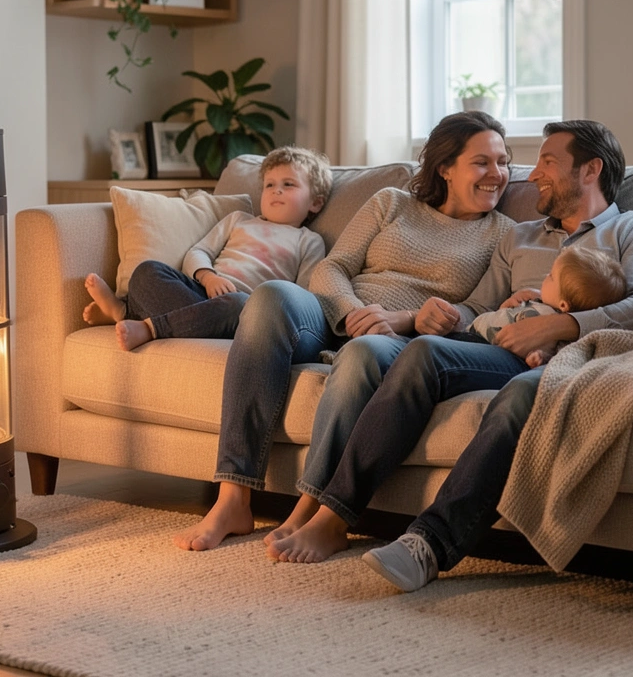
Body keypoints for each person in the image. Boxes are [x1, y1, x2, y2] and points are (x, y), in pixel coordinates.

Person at [266, 120, 633, 566]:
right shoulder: (520, 236)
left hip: (572, 358)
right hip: (503, 352)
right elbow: (478, 308)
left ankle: (428, 542)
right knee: (425, 351)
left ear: (591, 170)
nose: (533, 173)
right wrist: (430, 316)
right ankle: (334, 515)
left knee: (518, 393)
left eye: (548, 162)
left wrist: (560, 326)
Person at [172, 111, 517, 552]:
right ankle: (232, 497)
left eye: (503, 162)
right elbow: (333, 267)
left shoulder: (505, 233)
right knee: (272, 295)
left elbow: (479, 311)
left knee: (364, 351)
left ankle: (311, 509)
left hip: (396, 342)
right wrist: (353, 312)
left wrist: (405, 319)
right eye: (482, 162)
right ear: (446, 168)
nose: (497, 174)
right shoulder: (391, 202)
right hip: (336, 315)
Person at [82, 147, 332, 351]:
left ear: (315, 203)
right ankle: (125, 311)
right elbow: (198, 252)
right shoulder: (239, 219)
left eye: (288, 184)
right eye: (270, 185)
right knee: (148, 270)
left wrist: (265, 309)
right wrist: (208, 276)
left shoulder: (308, 241)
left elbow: (303, 298)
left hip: (244, 311)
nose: (277, 190)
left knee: (236, 303)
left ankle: (149, 326)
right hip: (201, 291)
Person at [467, 245, 626, 368]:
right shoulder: (536, 301)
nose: (545, 276)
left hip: (485, 345)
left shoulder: (556, 331)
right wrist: (506, 307)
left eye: (551, 276)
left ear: (563, 304)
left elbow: (556, 355)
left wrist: (538, 357)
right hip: (473, 333)